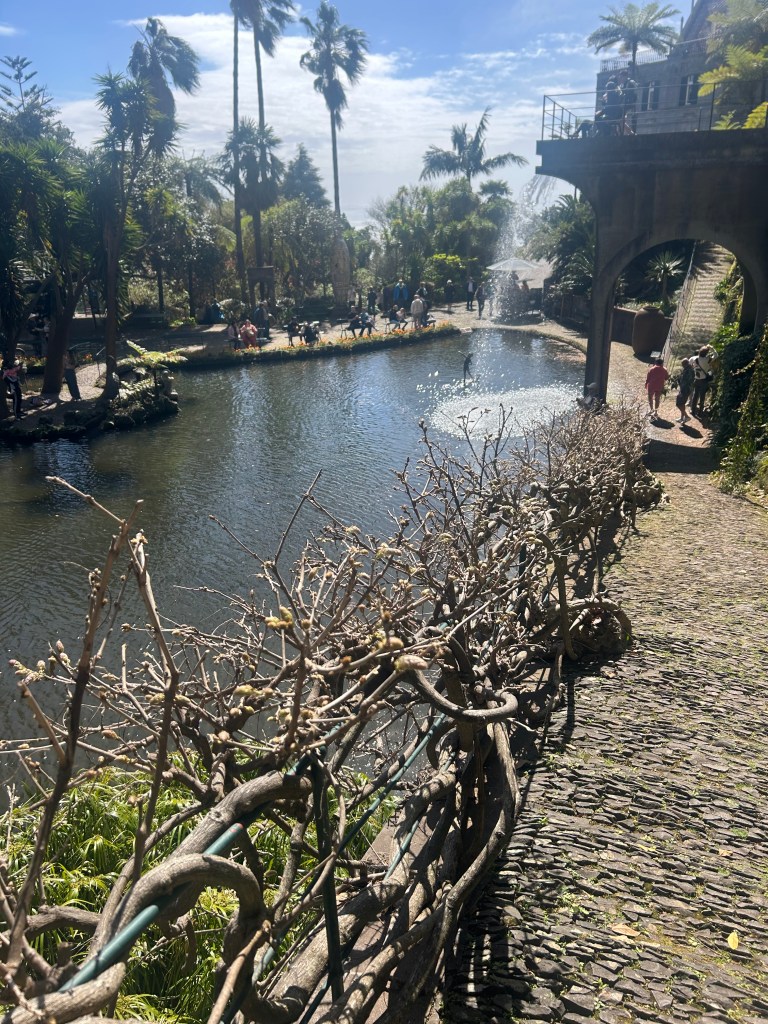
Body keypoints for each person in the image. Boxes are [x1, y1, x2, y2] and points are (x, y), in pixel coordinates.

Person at [690, 344, 717, 417]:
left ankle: (693, 410)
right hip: (704, 380)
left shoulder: (694, 359)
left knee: (695, 395)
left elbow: (690, 365)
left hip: (696, 379)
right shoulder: (707, 359)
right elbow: (716, 355)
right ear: (706, 353)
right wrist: (711, 348)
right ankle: (700, 412)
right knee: (702, 396)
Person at [675, 357, 694, 424]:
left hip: (685, 389)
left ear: (684, 364)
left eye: (682, 364)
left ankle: (686, 416)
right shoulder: (689, 369)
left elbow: (685, 381)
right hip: (687, 388)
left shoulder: (688, 370)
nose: (682, 366)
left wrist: (681, 391)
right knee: (682, 403)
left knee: (679, 403)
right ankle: (682, 418)